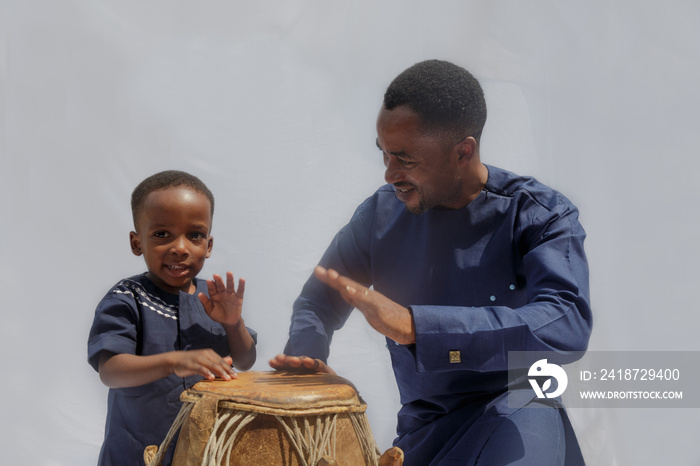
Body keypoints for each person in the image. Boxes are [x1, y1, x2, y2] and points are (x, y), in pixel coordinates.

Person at [271, 60, 591, 465]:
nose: (389, 174)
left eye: (405, 159)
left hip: (519, 414)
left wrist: (420, 327)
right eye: (383, 154)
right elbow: (320, 301)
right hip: (422, 432)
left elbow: (567, 322)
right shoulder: (379, 216)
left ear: (463, 151)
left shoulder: (539, 215)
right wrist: (308, 355)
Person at [87, 170, 257, 465]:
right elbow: (110, 371)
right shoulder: (127, 298)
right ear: (137, 242)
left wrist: (233, 323)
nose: (180, 248)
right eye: (162, 234)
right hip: (138, 454)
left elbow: (245, 361)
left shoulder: (213, 297)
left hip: (208, 453)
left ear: (209, 245)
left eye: (194, 235)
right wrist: (175, 361)